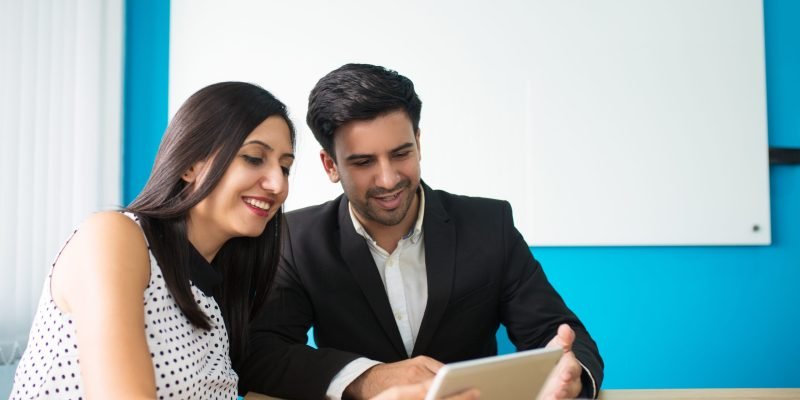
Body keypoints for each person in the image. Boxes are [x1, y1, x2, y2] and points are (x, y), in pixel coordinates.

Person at [238, 63, 604, 399]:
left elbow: (560, 336)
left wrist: (572, 374)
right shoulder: (296, 239)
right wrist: (368, 378)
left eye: (401, 153)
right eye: (364, 162)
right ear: (330, 165)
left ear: (418, 141)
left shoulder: (489, 225)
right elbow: (263, 352)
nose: (389, 179)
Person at [10, 82, 296, 399]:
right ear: (190, 165)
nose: (277, 184)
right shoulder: (113, 237)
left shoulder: (212, 299)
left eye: (285, 167)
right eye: (254, 157)